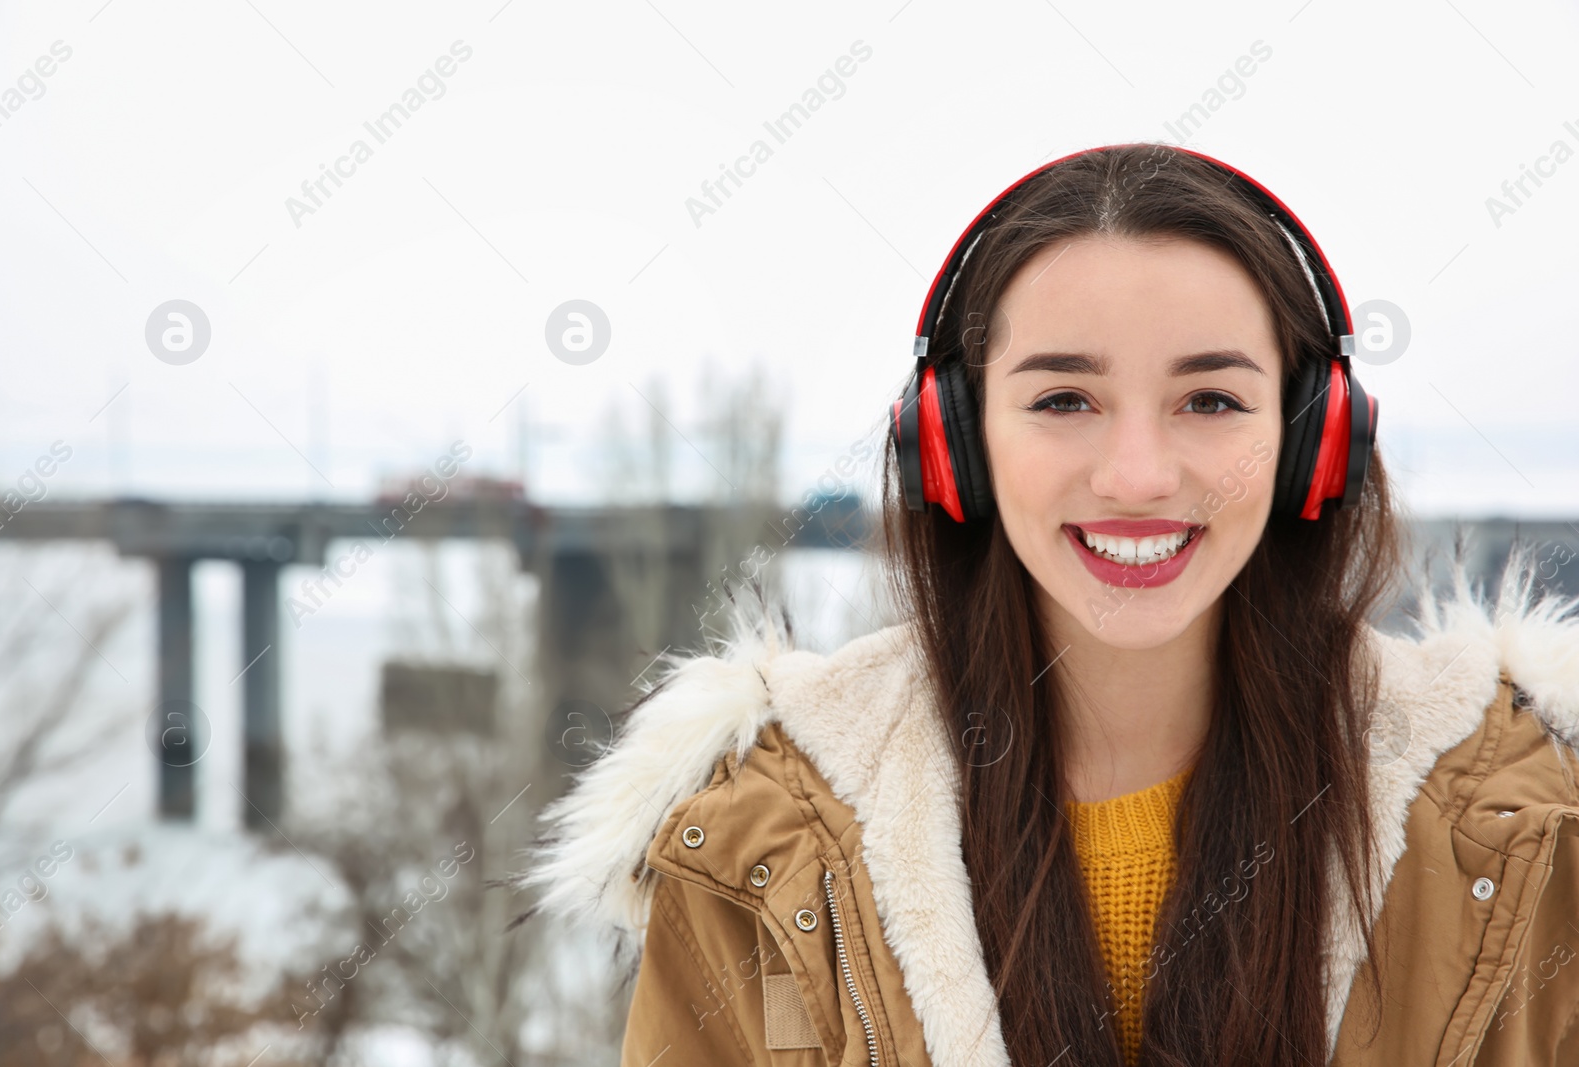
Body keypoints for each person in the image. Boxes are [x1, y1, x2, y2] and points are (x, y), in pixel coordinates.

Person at [512, 144, 1579, 1066]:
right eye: (1063, 398)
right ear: (954, 442)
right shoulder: (762, 831)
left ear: (1316, 442)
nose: (1136, 474)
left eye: (1210, 399)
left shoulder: (1528, 824)